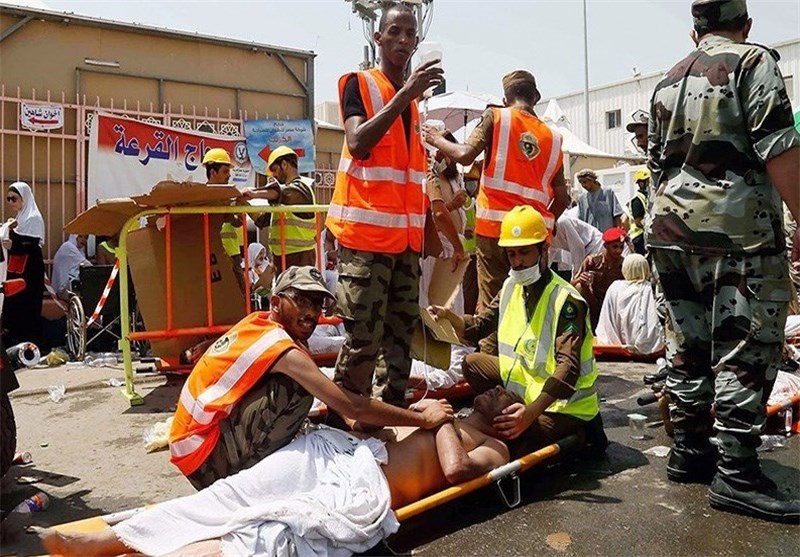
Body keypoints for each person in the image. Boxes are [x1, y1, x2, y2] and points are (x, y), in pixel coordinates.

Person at [40, 387, 515, 557]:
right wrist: (404, 421)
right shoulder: (445, 414)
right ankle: (112, 539)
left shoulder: (493, 447)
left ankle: (156, 552)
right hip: (344, 454)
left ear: (507, 417)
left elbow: (456, 472)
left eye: (501, 394)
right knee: (233, 495)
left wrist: (441, 421)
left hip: (367, 487)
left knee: (263, 535)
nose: (492, 390)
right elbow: (393, 436)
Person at [648, 0, 800, 522]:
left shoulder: (666, 80)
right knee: (745, 344)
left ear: (695, 32)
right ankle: (736, 473)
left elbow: (654, 161)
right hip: (737, 233)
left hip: (668, 229)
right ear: (746, 25)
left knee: (685, 342)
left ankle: (689, 451)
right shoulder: (754, 61)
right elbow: (778, 144)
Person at [169, 265, 453, 490]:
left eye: (317, 304)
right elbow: (350, 405)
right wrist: (422, 420)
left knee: (309, 384)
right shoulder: (283, 349)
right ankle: (252, 476)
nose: (311, 312)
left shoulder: (258, 322)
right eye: (301, 300)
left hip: (198, 445)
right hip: (205, 460)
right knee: (299, 387)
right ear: (276, 301)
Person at [324, 2, 443, 409]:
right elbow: (358, 143)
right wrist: (405, 94)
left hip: (404, 245)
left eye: (411, 34)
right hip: (366, 241)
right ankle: (345, 419)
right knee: (362, 339)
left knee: (400, 337)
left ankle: (390, 412)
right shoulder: (360, 83)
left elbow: (412, 179)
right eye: (395, 32)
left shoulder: (411, 106)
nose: (404, 41)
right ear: (379, 38)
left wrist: (430, 233)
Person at [429, 206, 606, 458]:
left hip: (564, 404)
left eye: (524, 252)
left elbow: (569, 368)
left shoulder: (566, 300)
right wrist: (449, 318)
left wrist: (530, 413)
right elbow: (479, 326)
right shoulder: (511, 285)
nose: (517, 261)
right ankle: (514, 415)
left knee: (514, 438)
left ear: (543, 250)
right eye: (511, 254)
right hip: (526, 387)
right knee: (472, 362)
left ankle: (582, 431)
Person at [426, 70, 570, 350]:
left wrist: (436, 139)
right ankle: (536, 362)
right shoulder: (554, 138)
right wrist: (542, 227)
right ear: (536, 97)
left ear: (506, 98)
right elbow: (562, 198)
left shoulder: (497, 117)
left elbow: (465, 153)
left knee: (494, 304)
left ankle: (493, 372)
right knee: (533, 302)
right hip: (533, 238)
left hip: (495, 233)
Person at [255, 146, 318, 274]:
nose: (274, 175)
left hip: (300, 258)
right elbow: (262, 221)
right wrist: (243, 203)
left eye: (274, 170)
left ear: (284, 164)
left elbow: (279, 192)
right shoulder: (283, 197)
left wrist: (252, 193)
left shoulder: (300, 189)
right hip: (281, 258)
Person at [2, 182, 45, 347]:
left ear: (25, 198)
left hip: (30, 270)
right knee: (14, 304)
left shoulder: (33, 218)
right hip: (17, 269)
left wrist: (14, 245)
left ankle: (29, 343)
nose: (12, 203)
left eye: (14, 199)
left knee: (28, 305)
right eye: (9, 199)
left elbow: (32, 245)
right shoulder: (20, 218)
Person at [596, 253, 665, 355]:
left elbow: (607, 320)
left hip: (613, 341)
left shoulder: (615, 286)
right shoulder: (648, 288)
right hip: (645, 344)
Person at [203, 147, 246, 292]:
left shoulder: (228, 195)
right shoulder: (200, 197)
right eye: (225, 171)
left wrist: (239, 208)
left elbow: (236, 222)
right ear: (213, 172)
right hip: (211, 254)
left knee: (240, 293)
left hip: (232, 254)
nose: (229, 176)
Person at [571, 227, 627, 330]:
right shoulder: (592, 261)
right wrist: (581, 280)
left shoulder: (624, 265)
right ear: (606, 246)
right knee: (579, 287)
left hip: (613, 304)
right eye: (614, 247)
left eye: (621, 247)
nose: (618, 251)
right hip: (592, 302)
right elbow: (571, 284)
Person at [550, 212, 604, 280]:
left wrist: (577, 274)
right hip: (584, 252)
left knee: (587, 280)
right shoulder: (547, 237)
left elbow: (578, 248)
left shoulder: (562, 222)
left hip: (595, 244)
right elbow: (550, 256)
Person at [51, 234, 91, 300]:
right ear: (74, 237)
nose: (83, 240)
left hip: (71, 286)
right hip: (64, 289)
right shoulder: (68, 247)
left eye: (86, 237)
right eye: (80, 236)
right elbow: (87, 265)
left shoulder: (80, 251)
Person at [627, 168, 650, 256]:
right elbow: (638, 221)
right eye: (647, 182)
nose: (649, 184)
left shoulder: (647, 197)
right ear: (641, 183)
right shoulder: (637, 200)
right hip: (638, 237)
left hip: (644, 236)